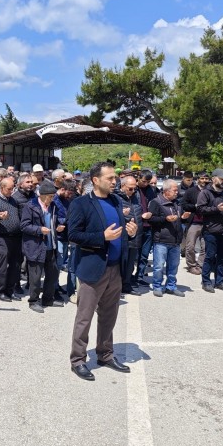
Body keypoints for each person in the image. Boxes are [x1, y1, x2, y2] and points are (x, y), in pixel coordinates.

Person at [68, 162, 138, 381]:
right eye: (110, 178)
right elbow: (73, 235)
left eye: (115, 177)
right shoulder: (81, 203)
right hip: (92, 268)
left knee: (109, 316)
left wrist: (131, 233)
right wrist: (101, 237)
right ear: (96, 180)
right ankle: (78, 360)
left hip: (115, 268)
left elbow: (120, 232)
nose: (114, 181)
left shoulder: (116, 201)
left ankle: (105, 354)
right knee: (84, 318)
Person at [21, 179, 63, 312]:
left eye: (53, 196)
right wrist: (39, 230)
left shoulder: (53, 206)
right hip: (36, 247)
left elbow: (55, 220)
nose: (52, 199)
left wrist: (58, 226)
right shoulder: (30, 206)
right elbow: (24, 226)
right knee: (35, 277)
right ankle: (33, 301)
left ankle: (48, 299)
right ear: (43, 196)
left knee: (52, 275)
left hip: (51, 246)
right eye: (50, 196)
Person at [148, 179, 188, 298]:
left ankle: (171, 286)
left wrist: (183, 218)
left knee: (173, 266)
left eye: (177, 190)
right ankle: (157, 286)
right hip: (161, 240)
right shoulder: (156, 202)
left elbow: (179, 219)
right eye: (175, 190)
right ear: (166, 191)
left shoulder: (178, 203)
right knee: (159, 266)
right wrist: (165, 219)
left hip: (175, 240)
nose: (177, 192)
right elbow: (151, 220)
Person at [196, 168, 223, 293]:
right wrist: (217, 209)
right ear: (213, 179)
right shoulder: (206, 193)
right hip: (211, 230)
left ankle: (219, 281)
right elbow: (200, 209)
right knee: (210, 256)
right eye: (221, 179)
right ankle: (206, 281)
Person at [0, 177, 23, 302]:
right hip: (2, 237)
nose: (11, 191)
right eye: (9, 189)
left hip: (16, 236)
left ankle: (10, 290)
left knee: (15, 264)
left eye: (13, 188)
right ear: (2, 188)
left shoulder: (13, 200)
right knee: (2, 263)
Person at [117, 176, 143, 296]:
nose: (133, 191)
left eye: (135, 188)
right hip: (122, 236)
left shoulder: (135, 196)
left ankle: (126, 285)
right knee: (120, 264)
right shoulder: (116, 198)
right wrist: (121, 214)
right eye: (130, 189)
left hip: (135, 235)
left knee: (130, 264)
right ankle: (117, 287)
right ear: (123, 186)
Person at [182, 172, 209, 275]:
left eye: (206, 179)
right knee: (190, 246)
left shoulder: (211, 191)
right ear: (197, 180)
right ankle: (192, 265)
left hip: (207, 223)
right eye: (202, 178)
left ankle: (200, 265)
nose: (204, 181)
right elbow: (184, 204)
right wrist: (195, 206)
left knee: (205, 246)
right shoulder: (191, 191)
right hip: (194, 222)